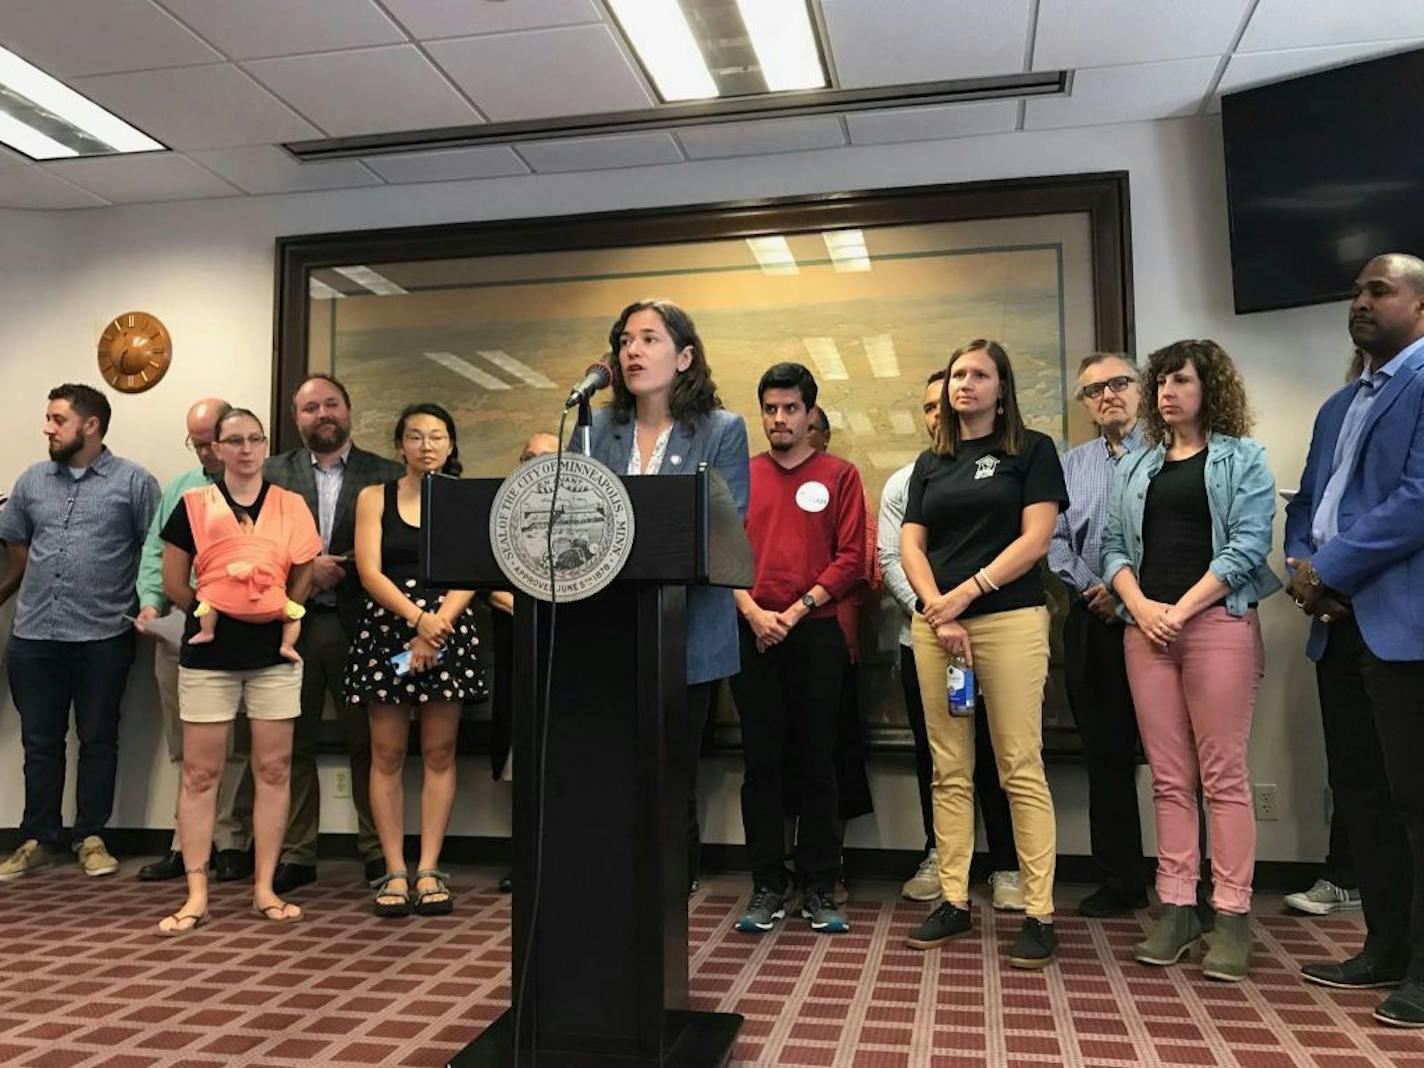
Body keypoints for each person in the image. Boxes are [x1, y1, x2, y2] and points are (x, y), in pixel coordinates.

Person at [1102, 339, 1279, 982]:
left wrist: (1182, 607)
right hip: (1146, 631)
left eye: (1181, 380)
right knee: (1169, 779)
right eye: (1161, 383)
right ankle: (1177, 907)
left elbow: (1250, 545)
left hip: (1217, 626)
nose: (1166, 393)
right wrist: (1143, 608)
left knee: (1223, 779)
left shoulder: (1244, 457)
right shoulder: (1137, 464)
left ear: (1211, 388)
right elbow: (1114, 548)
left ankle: (1230, 916)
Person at [1284, 253, 1424, 1027]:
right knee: (1364, 796)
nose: (1360, 301)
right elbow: (1308, 500)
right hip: (1335, 626)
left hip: (1403, 622)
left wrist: (1329, 570)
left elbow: (1418, 499)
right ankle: (1386, 947)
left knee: (1418, 801)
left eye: (1380, 290)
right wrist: (1303, 567)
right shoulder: (1340, 405)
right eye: (1356, 292)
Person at [899, 340, 1067, 969]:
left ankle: (1039, 911)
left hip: (1010, 621)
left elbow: (1036, 539)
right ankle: (951, 900)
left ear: (1003, 387)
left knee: (1019, 765)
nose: (964, 385)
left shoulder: (1031, 450)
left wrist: (964, 595)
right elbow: (912, 543)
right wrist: (937, 607)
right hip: (937, 629)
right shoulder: (930, 461)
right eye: (958, 376)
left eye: (979, 375)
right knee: (949, 768)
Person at [582, 299, 750, 896]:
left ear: (684, 356)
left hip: (688, 632)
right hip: (605, 633)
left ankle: (669, 901)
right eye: (625, 339)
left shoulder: (721, 430)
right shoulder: (596, 428)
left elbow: (722, 527)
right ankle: (611, 890)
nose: (632, 351)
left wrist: (633, 539)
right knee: (612, 774)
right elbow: (580, 524)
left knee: (671, 776)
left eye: (649, 339)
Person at [156, 407, 321, 933]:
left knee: (273, 770)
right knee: (201, 773)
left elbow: (303, 573)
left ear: (265, 445)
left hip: (275, 656)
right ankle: (197, 892)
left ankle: (265, 887)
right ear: (216, 449)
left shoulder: (291, 504)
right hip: (209, 654)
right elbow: (176, 581)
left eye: (255, 439)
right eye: (235, 440)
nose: (246, 449)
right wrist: (215, 613)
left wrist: (278, 614)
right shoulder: (192, 505)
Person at [0, 384, 158, 881]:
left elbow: (152, 553)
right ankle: (38, 837)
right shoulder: (31, 481)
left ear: (90, 425)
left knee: (98, 739)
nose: (48, 428)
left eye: (57, 419)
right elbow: (17, 551)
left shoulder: (134, 482)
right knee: (40, 742)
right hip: (34, 637)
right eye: (48, 418)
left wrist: (149, 610)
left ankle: (92, 836)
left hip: (103, 637)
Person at [731, 361, 863, 935]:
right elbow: (718, 552)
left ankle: (818, 885)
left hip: (814, 631)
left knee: (817, 761)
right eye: (770, 409)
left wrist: (796, 609)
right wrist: (755, 612)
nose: (778, 419)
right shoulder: (740, 473)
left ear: (811, 415)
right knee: (761, 764)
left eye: (790, 409)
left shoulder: (840, 474)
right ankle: (766, 886)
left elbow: (852, 556)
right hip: (751, 629)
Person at [881, 370, 1021, 909]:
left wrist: (965, 606)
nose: (938, 415)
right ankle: (940, 855)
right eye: (928, 408)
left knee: (998, 752)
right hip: (926, 641)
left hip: (995, 634)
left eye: (945, 404)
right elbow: (892, 558)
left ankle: (1006, 864)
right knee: (937, 758)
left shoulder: (1004, 472)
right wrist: (936, 613)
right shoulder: (906, 480)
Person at [264, 373, 403, 892]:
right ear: (296, 417)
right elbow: (252, 548)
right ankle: (297, 852)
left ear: (348, 410)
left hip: (360, 625)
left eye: (331, 405)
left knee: (369, 744)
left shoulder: (384, 474)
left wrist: (340, 566)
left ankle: (376, 850)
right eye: (310, 408)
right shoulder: (273, 472)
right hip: (288, 626)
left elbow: (396, 551)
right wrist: (305, 571)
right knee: (289, 745)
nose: (322, 415)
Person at [348, 403, 486, 917]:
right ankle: (394, 870)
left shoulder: (464, 500)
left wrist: (436, 628)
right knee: (385, 753)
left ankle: (429, 868)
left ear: (451, 445)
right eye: (415, 436)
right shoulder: (373, 497)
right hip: (390, 629)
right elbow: (369, 571)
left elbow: (470, 570)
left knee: (440, 752)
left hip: (447, 630)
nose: (426, 446)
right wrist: (416, 621)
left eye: (437, 437)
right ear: (398, 445)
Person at [134, 397, 255, 883]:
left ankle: (229, 840)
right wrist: (150, 602)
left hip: (242, 634)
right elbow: (155, 555)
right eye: (196, 443)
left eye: (209, 443)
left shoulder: (258, 492)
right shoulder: (181, 489)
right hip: (182, 631)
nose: (203, 453)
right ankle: (184, 842)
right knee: (185, 745)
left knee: (233, 746)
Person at [1048, 353, 1150, 918]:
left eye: (1118, 383)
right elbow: (1054, 540)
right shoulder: (1070, 465)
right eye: (1094, 391)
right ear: (1085, 405)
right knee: (1105, 758)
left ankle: (1198, 886)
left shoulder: (1168, 457)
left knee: (1178, 758)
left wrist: (1129, 593)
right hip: (1091, 620)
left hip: (1158, 617)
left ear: (1140, 389)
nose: (1108, 395)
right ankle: (1120, 880)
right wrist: (1097, 589)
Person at [489, 431, 560, 895]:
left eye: (547, 460)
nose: (535, 465)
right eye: (527, 457)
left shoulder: (585, 512)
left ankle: (565, 856)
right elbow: (485, 578)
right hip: (517, 645)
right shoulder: (499, 514)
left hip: (571, 647)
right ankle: (527, 859)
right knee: (524, 753)